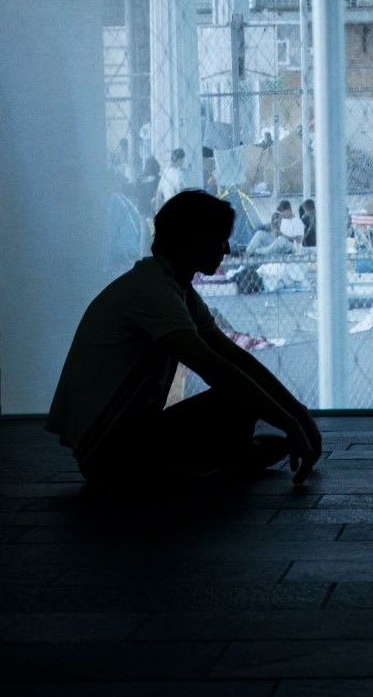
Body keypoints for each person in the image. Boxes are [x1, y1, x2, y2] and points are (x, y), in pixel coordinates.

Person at [46, 190, 322, 491]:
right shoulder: (155, 293)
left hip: (109, 446)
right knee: (237, 399)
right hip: (109, 455)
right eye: (220, 239)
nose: (227, 249)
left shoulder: (168, 287)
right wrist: (294, 421)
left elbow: (234, 359)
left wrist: (298, 417)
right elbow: (218, 367)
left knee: (241, 397)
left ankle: (220, 457)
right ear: (195, 241)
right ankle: (216, 459)